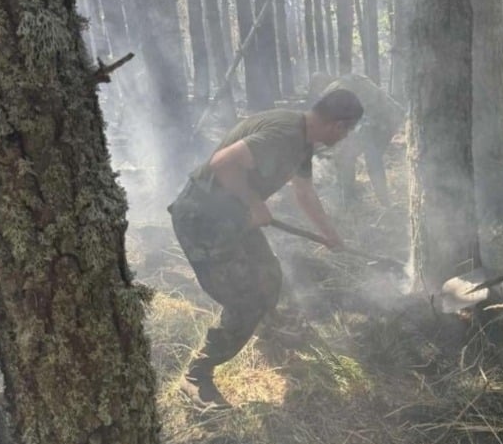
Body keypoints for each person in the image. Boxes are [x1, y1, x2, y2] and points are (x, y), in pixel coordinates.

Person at [169, 88, 364, 408]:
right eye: (349, 131)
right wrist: (254, 201)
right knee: (246, 299)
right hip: (203, 219)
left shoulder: (301, 140)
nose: (346, 137)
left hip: (234, 218)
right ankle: (196, 374)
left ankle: (265, 331)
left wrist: (330, 235)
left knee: (269, 275)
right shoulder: (285, 135)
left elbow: (304, 192)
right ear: (339, 126)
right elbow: (223, 163)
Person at [306, 73, 404, 207]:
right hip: (391, 117)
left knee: (360, 158)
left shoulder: (334, 90)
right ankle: (355, 199)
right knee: (355, 156)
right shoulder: (348, 81)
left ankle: (364, 202)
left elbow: (344, 121)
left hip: (376, 122)